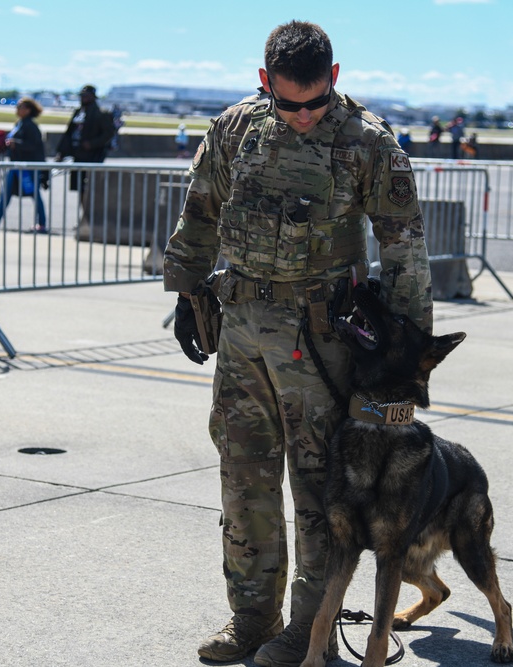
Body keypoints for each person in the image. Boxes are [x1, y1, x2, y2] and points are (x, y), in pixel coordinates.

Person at [163, 20, 433, 667]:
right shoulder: (236, 129)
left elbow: (404, 251)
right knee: (243, 478)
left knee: (319, 489)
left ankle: (310, 634)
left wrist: (407, 362)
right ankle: (253, 619)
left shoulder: (367, 143)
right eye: (290, 103)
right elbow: (201, 210)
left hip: (321, 343)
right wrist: (185, 290)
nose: (305, 115)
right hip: (243, 329)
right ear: (265, 84)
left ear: (334, 79)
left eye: (316, 102)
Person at [0, 97, 49, 233]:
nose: (17, 109)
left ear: (28, 110)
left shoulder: (31, 126)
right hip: (17, 166)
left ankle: (42, 223)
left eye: (20, 107)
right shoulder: (20, 123)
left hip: (27, 167)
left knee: (35, 194)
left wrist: (15, 143)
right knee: (6, 193)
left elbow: (33, 146)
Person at [56, 85, 117, 191]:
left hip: (92, 155)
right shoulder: (78, 112)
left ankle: (90, 207)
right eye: (82, 95)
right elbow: (69, 133)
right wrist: (62, 152)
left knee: (89, 187)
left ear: (93, 97)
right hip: (77, 153)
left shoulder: (101, 113)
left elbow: (109, 133)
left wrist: (92, 144)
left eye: (87, 96)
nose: (84, 98)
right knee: (79, 187)